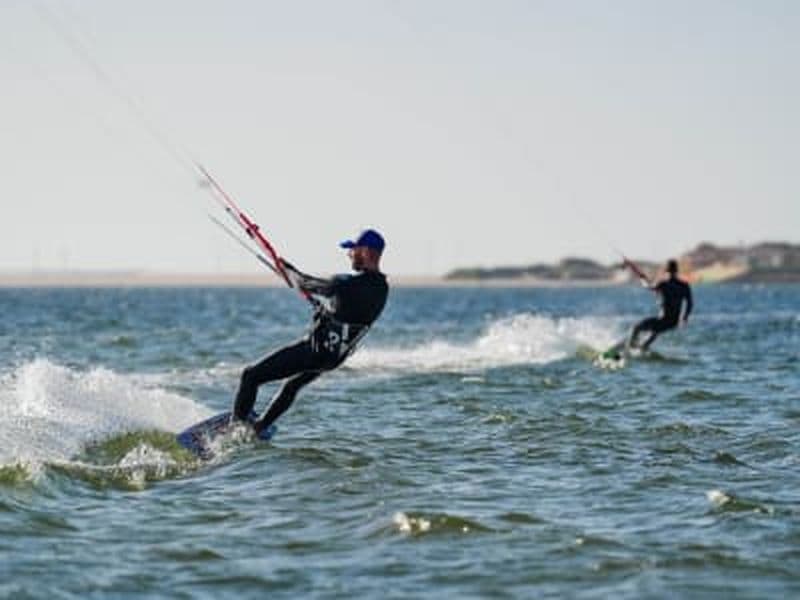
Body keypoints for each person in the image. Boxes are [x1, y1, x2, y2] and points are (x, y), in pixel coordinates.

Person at [233, 229, 389, 435]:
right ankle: (260, 426)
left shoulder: (346, 283)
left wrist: (288, 270)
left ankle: (234, 430)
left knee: (250, 376)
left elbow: (310, 284)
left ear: (367, 252)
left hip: (315, 352)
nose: (349, 254)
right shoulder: (382, 288)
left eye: (353, 250)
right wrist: (327, 311)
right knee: (292, 386)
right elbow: (350, 313)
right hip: (334, 358)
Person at [627, 258, 693, 352]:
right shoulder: (684, 286)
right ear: (676, 271)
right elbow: (690, 303)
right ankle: (642, 348)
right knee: (654, 332)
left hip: (663, 320)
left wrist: (642, 279)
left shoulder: (663, 284)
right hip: (673, 323)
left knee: (636, 328)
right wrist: (685, 317)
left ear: (666, 271)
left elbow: (649, 286)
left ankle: (629, 349)